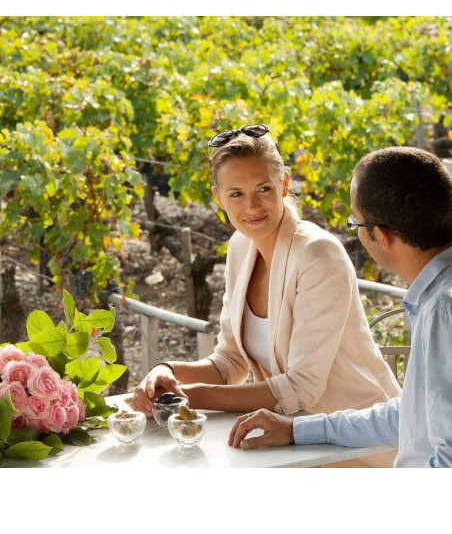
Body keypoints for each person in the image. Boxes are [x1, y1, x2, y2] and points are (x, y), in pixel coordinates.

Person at [130, 124, 401, 467]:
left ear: (284, 184)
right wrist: (166, 372)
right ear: (218, 197)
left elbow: (302, 387)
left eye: (263, 189)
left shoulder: (318, 254)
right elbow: (229, 361)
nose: (252, 206)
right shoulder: (240, 247)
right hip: (285, 440)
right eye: (236, 194)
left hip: (359, 445)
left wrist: (188, 397)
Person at [229, 146, 452, 468]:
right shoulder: (436, 298)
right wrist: (297, 429)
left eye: (355, 222)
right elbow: (412, 415)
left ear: (381, 235)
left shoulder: (443, 312)